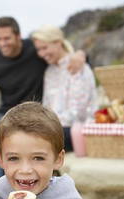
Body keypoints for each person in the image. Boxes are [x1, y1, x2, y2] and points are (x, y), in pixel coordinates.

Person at [0, 17, 85, 193]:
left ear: (18, 36)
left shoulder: (34, 50)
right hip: (1, 117)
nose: (3, 43)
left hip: (29, 118)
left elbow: (61, 54)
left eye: (7, 38)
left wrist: (82, 55)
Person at [31, 24, 97, 152]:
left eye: (44, 48)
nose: (41, 54)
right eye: (39, 50)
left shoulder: (78, 65)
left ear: (58, 43)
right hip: (55, 129)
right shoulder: (49, 71)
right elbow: (46, 106)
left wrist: (47, 127)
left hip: (76, 130)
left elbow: (78, 112)